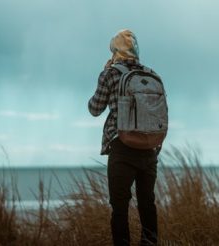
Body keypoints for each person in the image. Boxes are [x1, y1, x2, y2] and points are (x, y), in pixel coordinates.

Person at [88, 29, 160, 246]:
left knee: (120, 208)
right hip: (148, 149)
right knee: (147, 204)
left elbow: (95, 108)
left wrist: (104, 74)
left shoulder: (110, 74)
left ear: (116, 50)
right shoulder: (150, 75)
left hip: (122, 147)